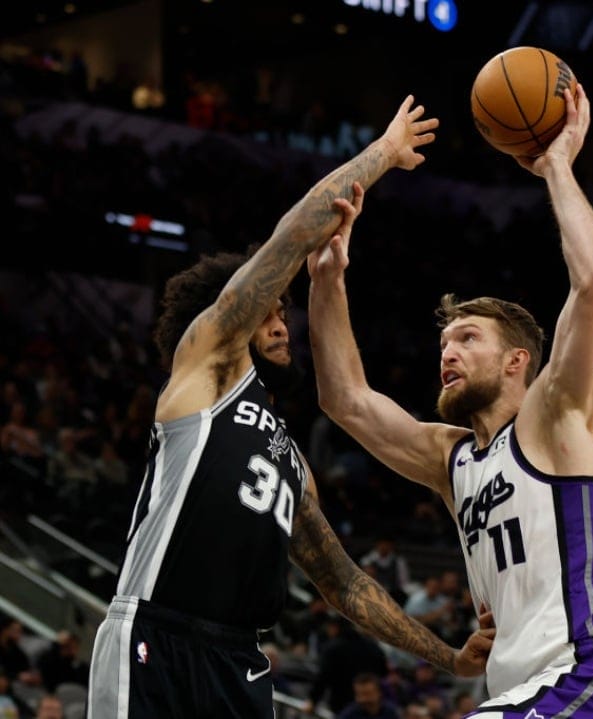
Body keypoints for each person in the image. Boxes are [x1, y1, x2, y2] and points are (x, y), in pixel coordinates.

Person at [86, 96, 494, 719]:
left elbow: (344, 583)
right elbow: (290, 237)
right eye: (273, 311)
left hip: (240, 660)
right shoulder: (210, 365)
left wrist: (447, 656)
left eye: (284, 312)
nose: (283, 322)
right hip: (156, 636)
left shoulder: (291, 460)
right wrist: (382, 154)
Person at [308, 84, 593, 717]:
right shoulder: (452, 458)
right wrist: (329, 279)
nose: (448, 353)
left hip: (586, 675)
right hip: (517, 690)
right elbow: (346, 400)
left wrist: (556, 167)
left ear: (518, 361)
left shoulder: (554, 415)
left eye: (467, 339)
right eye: (444, 342)